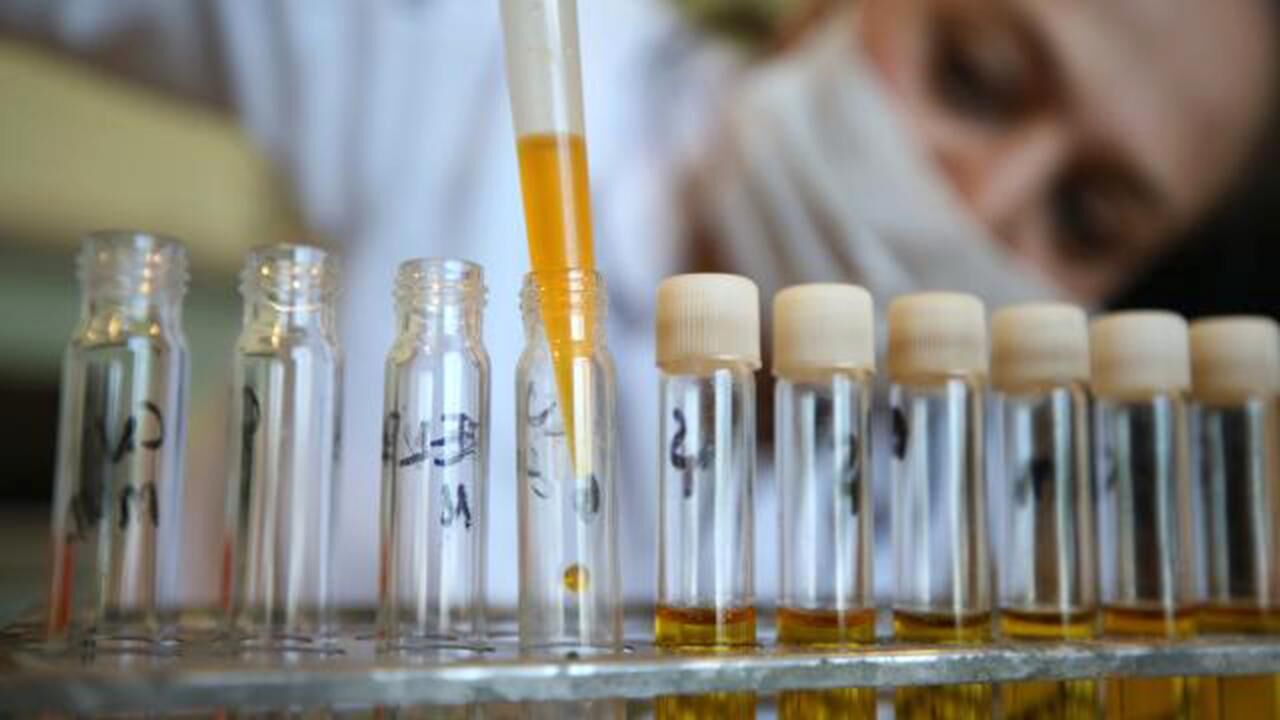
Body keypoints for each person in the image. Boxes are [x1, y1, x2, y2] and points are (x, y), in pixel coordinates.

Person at [2, 0, 1274, 610]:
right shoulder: (488, 65)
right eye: (975, 76)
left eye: (1087, 219)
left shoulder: (1022, 516)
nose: (984, 205)